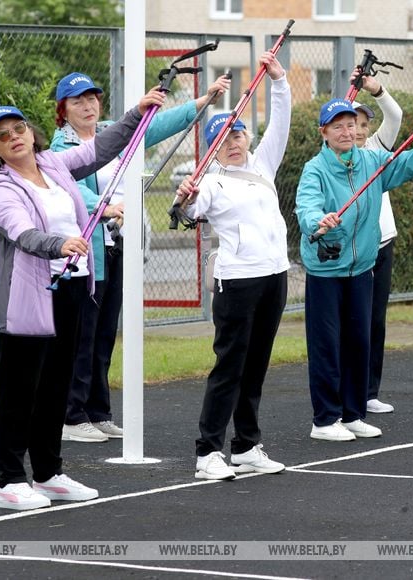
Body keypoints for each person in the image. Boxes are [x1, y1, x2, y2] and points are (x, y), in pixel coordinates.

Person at [0, 89, 166, 510]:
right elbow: (20, 231)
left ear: (32, 132)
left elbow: (101, 146)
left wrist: (137, 111)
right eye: (3, 135)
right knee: (17, 392)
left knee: (55, 387)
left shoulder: (54, 164)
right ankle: (10, 480)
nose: (14, 137)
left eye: (19, 128)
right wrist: (57, 243)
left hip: (71, 288)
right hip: (25, 301)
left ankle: (48, 474)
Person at [51, 72, 230, 443]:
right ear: (62, 110)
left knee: (105, 334)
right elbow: (65, 188)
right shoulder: (60, 145)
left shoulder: (110, 132)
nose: (87, 106)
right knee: (83, 336)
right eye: (78, 101)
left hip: (119, 247)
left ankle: (97, 411)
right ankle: (70, 416)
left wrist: (203, 100)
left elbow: (155, 124)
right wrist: (104, 207)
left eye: (92, 98)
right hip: (87, 253)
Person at [295, 97, 413, 441]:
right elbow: (306, 206)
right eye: (338, 127)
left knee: (359, 342)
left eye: (351, 125)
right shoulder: (315, 169)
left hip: (362, 268)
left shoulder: (372, 161)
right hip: (326, 272)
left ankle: (352, 414)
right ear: (324, 133)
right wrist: (318, 220)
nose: (347, 132)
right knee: (327, 345)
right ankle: (324, 419)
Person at [174, 52, 289, 480]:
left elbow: (281, 122)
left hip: (275, 275)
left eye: (238, 133)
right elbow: (189, 212)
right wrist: (184, 200)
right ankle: (208, 451)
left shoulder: (262, 165)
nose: (235, 141)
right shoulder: (208, 180)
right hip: (237, 283)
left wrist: (279, 81)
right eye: (225, 137)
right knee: (230, 367)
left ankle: (245, 446)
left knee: (257, 364)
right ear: (213, 146)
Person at [348, 70, 403, 415]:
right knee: (353, 321)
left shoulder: (375, 150)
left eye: (364, 125)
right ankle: (347, 390)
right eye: (351, 123)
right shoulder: (332, 159)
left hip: (383, 243)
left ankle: (369, 392)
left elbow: (395, 116)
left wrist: (375, 88)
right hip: (354, 249)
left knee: (376, 321)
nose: (358, 131)